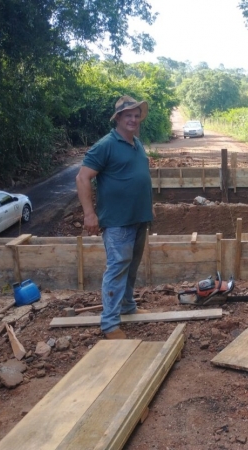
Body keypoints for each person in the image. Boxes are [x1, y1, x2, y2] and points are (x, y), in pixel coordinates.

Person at [75, 95, 153, 339]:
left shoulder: (136, 143)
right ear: (118, 118)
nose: (133, 118)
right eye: (127, 115)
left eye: (136, 115)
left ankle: (128, 306)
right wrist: (89, 214)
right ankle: (110, 324)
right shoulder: (106, 145)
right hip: (118, 221)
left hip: (139, 218)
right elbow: (82, 177)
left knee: (131, 267)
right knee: (118, 267)